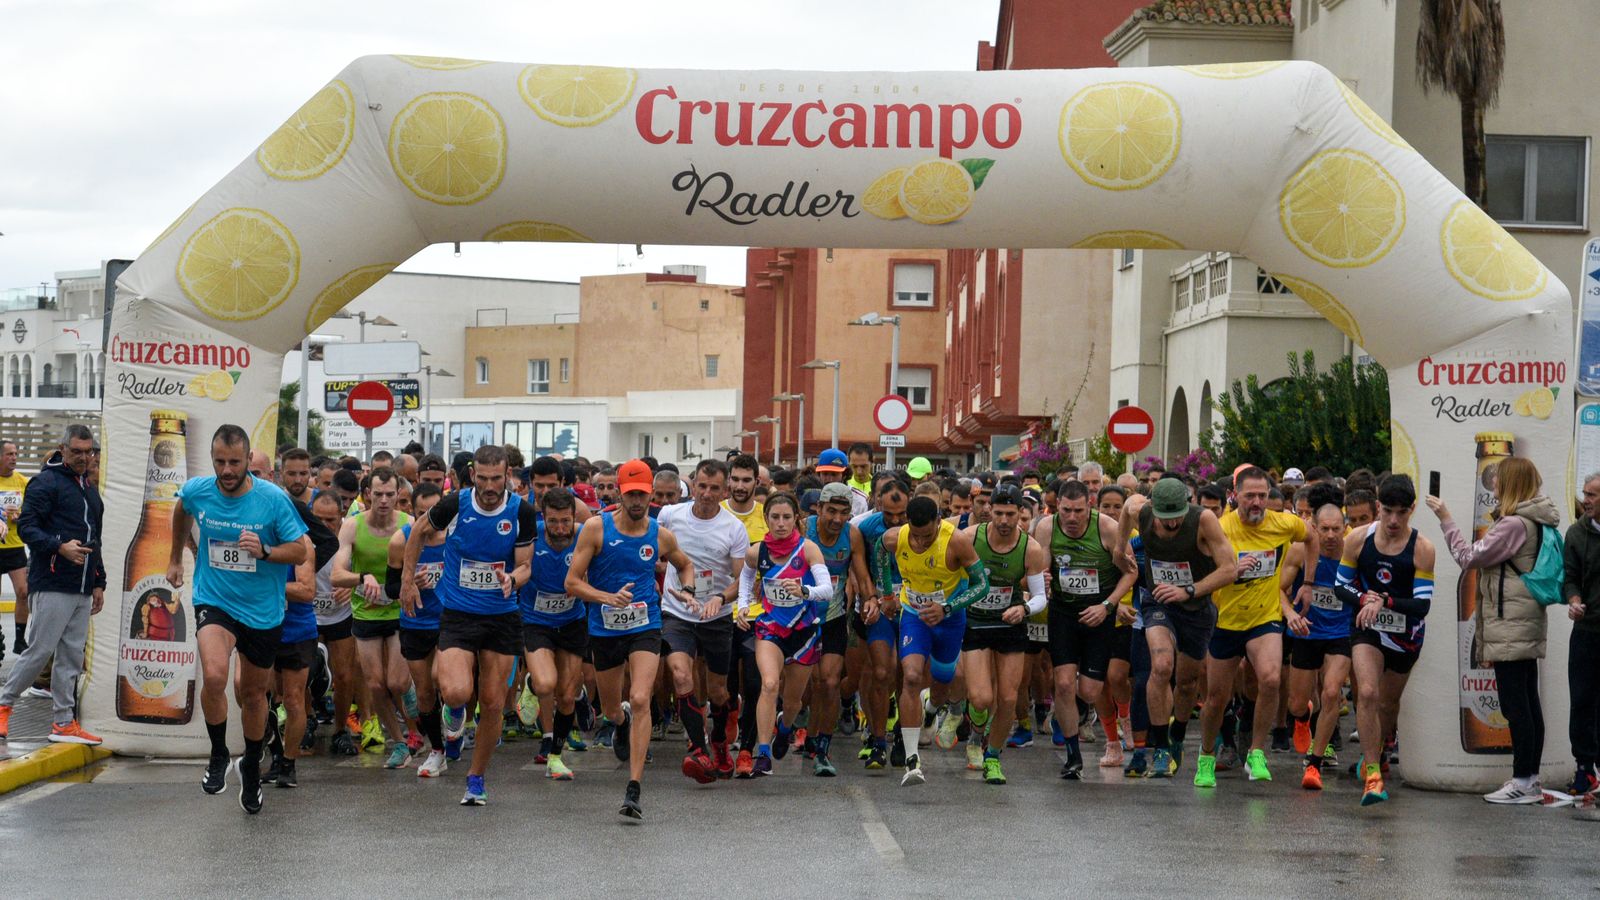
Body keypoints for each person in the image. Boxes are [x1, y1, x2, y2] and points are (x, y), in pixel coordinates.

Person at [166, 425, 311, 814]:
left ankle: (249, 762)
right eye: (219, 462)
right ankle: (217, 755)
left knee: (252, 694)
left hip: (263, 612)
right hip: (215, 600)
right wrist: (176, 556)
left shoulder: (273, 500)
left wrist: (264, 551)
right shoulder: (199, 490)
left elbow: (299, 552)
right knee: (214, 675)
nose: (226, 470)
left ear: (249, 461)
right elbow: (180, 508)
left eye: (234, 462)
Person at [401, 444, 534, 806]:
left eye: (497, 479)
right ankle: (455, 712)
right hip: (459, 613)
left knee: (492, 703)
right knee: (457, 691)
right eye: (484, 479)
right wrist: (407, 581)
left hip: (502, 616)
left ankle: (476, 778)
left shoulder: (521, 511)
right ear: (473, 475)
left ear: (507, 476)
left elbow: (525, 565)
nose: (490, 487)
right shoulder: (455, 504)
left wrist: (514, 579)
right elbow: (416, 533)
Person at [564, 459, 698, 820]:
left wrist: (686, 590)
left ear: (651, 493)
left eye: (642, 494)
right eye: (630, 494)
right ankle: (618, 721)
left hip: (645, 624)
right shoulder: (596, 528)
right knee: (612, 707)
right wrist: (607, 597)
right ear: (621, 494)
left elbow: (685, 564)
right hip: (605, 628)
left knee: (640, 698)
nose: (637, 501)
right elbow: (572, 582)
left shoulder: (659, 534)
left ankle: (634, 788)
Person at [1430, 457, 1558, 804]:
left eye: (1499, 480)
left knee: (1516, 704)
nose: (1494, 486)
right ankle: (1529, 777)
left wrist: (1445, 520)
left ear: (1511, 483)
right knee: (1527, 701)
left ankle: (1523, 780)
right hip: (1522, 619)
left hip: (1510, 623)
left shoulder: (1513, 524)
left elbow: (1468, 556)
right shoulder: (1533, 520)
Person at [1119, 479, 1237, 778]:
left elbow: (1230, 569)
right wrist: (1120, 549)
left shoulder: (1203, 520)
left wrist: (1189, 590)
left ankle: (1178, 735)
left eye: (1177, 517)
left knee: (1187, 682)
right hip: (1158, 601)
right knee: (1160, 666)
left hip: (1196, 607)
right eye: (1165, 517)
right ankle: (1159, 748)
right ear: (1153, 509)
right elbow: (1126, 507)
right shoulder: (1141, 511)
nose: (1171, 524)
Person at [0, 426, 106, 746]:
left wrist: (99, 581)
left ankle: (63, 722)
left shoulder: (88, 487)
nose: (84, 458)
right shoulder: (45, 482)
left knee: (71, 657)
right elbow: (28, 529)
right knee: (40, 650)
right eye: (77, 452)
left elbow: (94, 540)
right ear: (63, 448)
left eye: (88, 452)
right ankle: (4, 704)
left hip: (82, 586)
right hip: (51, 581)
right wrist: (60, 546)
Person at [1335, 474, 1435, 806]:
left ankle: (1381, 745)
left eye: (1401, 513)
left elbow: (1422, 606)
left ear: (1412, 510)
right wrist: (1365, 600)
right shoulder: (1358, 540)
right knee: (1366, 692)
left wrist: (1385, 602)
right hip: (1368, 628)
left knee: (1388, 704)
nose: (1393, 520)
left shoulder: (1422, 548)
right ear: (1378, 507)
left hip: (1405, 635)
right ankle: (1374, 776)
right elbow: (1341, 587)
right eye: (1387, 511)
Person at [877, 495, 989, 785]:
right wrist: (888, 594)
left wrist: (947, 608)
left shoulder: (957, 541)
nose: (921, 542)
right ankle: (912, 759)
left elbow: (982, 585)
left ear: (940, 522)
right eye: (916, 535)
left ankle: (930, 709)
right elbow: (879, 550)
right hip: (914, 614)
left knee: (942, 684)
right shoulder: (895, 537)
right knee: (911, 676)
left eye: (927, 535)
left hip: (949, 619)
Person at [1032, 480, 1136, 778]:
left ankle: (1081, 707)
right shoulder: (1046, 528)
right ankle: (1073, 755)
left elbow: (1131, 573)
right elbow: (1041, 568)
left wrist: (1107, 605)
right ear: (1057, 507)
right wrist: (1043, 579)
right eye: (1066, 510)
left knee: (1089, 691)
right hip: (1064, 612)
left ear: (1089, 507)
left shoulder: (1107, 528)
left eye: (1079, 511)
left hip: (1099, 614)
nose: (1072, 518)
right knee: (1062, 683)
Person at [658, 459, 749, 782]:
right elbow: (655, 557)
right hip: (677, 611)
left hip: (716, 616)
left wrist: (719, 598)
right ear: (692, 485)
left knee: (718, 692)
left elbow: (743, 580)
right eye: (701, 486)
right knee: (682, 676)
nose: (707, 494)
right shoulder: (670, 515)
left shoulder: (733, 528)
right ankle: (699, 750)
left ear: (724, 491)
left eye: (714, 488)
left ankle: (721, 742)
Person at [735, 492, 833, 776]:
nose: (780, 523)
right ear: (766, 519)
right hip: (770, 628)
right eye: (774, 517)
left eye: (786, 517)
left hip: (804, 632)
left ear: (796, 520)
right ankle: (763, 754)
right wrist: (743, 605)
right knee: (768, 684)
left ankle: (786, 727)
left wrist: (805, 591)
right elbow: (745, 576)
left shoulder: (808, 549)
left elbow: (827, 591)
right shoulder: (757, 551)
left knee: (792, 701)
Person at [962, 484, 1048, 785]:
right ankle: (975, 730)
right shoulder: (971, 538)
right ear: (989, 512)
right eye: (998, 513)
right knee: (982, 698)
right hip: (975, 623)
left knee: (1009, 699)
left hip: (1009, 625)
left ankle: (993, 758)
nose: (1003, 520)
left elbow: (1040, 597)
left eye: (1011, 514)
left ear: (1020, 514)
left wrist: (1024, 609)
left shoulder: (1031, 548)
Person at [331, 467, 414, 769]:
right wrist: (361, 577)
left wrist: (416, 581)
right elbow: (337, 575)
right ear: (367, 494)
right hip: (366, 612)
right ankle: (400, 743)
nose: (383, 500)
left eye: (390, 495)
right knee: (376, 685)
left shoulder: (408, 524)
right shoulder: (352, 526)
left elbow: (421, 565)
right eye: (377, 494)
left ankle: (416, 729)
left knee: (397, 682)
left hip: (398, 612)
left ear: (398, 495)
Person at [1279, 504, 1353, 793]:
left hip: (1341, 631)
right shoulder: (1300, 550)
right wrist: (1290, 614)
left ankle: (1315, 761)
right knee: (1296, 703)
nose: (1331, 535)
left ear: (1344, 527)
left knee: (1333, 692)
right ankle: (1303, 717)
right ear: (1314, 527)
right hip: (1307, 630)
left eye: (1337, 528)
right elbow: (1280, 590)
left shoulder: (1353, 553)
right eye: (1325, 529)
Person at [518, 487, 589, 781]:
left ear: (573, 517)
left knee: (567, 697)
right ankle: (532, 684)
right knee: (546, 684)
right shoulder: (531, 537)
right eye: (553, 521)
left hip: (572, 621)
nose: (560, 529)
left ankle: (555, 757)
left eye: (565, 521)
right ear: (543, 517)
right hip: (536, 621)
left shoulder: (585, 534)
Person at [803, 482, 870, 777]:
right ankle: (798, 727)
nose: (837, 519)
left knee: (829, 683)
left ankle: (822, 748)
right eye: (831, 511)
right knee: (808, 685)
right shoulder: (803, 529)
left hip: (833, 615)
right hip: (800, 618)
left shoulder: (851, 534)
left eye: (844, 512)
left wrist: (871, 600)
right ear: (819, 509)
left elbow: (861, 574)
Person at [385, 482, 450, 778]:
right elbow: (390, 588)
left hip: (449, 621)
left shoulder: (456, 538)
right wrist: (409, 585)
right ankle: (437, 751)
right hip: (414, 622)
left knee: (443, 679)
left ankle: (456, 719)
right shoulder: (402, 541)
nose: (429, 520)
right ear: (411, 511)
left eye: (435, 512)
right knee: (424, 693)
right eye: (422, 512)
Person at [1563, 472, 1600, 798]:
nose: (1586, 500)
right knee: (1582, 700)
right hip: (1587, 631)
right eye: (1584, 493)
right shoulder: (1576, 534)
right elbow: (1570, 578)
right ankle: (1585, 769)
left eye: (1592, 495)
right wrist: (1574, 601)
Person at [0, 439, 31, 657]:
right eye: (9, 454)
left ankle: (20, 639)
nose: (14, 458)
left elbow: (30, 513)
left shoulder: (23, 482)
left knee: (23, 592)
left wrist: (19, 516)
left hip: (15, 545)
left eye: (16, 453)